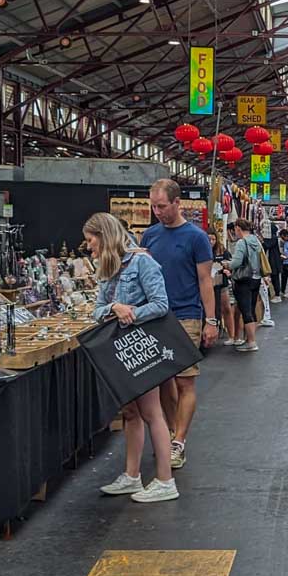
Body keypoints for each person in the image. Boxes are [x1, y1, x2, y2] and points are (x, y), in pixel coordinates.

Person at [84, 213, 179, 503]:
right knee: (131, 413)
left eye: (91, 240)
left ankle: (165, 479)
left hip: (142, 348)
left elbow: (162, 304)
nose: (88, 247)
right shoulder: (109, 267)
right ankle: (132, 475)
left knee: (151, 413)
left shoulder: (143, 263)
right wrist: (115, 306)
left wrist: (131, 313)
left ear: (104, 236)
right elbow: (98, 308)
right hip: (123, 349)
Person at [142, 180, 217, 471]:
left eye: (162, 206)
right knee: (162, 380)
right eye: (153, 206)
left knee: (185, 381)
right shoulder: (149, 236)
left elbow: (205, 281)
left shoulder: (196, 237)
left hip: (186, 316)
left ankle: (179, 442)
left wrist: (210, 321)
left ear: (177, 203)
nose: (157, 211)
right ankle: (170, 435)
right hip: (154, 317)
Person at [228, 219, 264, 352]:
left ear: (238, 228)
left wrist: (228, 265)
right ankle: (249, 339)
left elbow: (237, 262)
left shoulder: (242, 243)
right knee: (252, 309)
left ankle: (252, 342)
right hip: (256, 278)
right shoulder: (256, 241)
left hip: (243, 279)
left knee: (245, 311)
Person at [261, 217, 283, 301]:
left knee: (275, 278)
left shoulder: (273, 238)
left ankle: (277, 294)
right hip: (272, 261)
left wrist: (262, 241)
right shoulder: (273, 237)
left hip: (274, 262)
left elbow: (267, 245)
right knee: (273, 277)